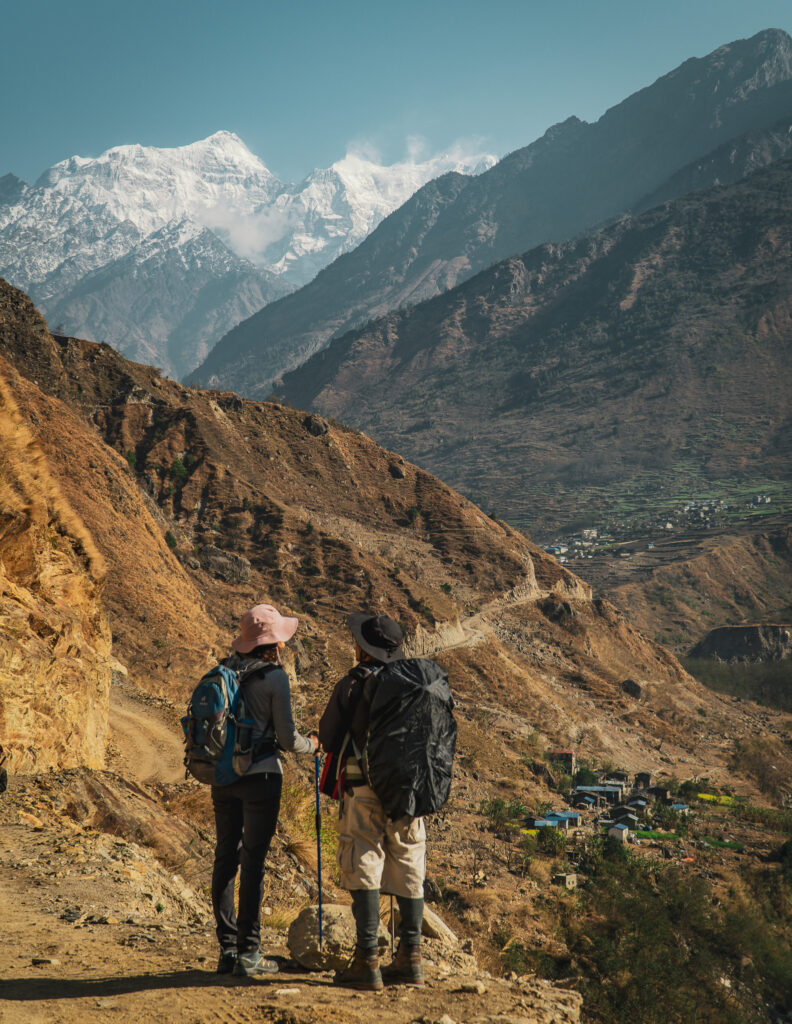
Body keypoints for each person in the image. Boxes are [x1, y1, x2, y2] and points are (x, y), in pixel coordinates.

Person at [319, 613, 426, 991]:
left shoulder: (354, 683)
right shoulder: (418, 682)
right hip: (411, 790)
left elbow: (328, 738)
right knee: (409, 861)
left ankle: (367, 960)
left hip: (364, 786)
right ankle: (411, 959)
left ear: (363, 649)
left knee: (363, 855)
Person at [212, 603, 317, 978]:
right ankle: (249, 952)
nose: (285, 645)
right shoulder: (275, 678)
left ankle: (227, 950)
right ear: (273, 643)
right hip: (262, 778)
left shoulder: (224, 670)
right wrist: (312, 745)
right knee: (253, 863)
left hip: (223, 776)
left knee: (225, 858)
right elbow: (287, 739)